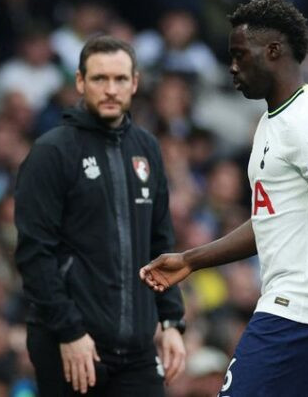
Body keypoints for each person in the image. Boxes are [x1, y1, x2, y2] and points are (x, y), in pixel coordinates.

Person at [140, 0, 308, 396]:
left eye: (239, 55)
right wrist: (191, 260)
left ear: (274, 51)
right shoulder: (271, 122)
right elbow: (270, 221)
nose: (232, 67)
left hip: (301, 311)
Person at [14, 35, 186, 396]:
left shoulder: (147, 148)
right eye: (99, 79)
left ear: (135, 83)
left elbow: (161, 241)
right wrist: (70, 331)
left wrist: (171, 321)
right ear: (80, 81)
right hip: (73, 342)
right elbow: (35, 254)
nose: (111, 89)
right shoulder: (52, 152)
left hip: (138, 349)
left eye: (120, 79)